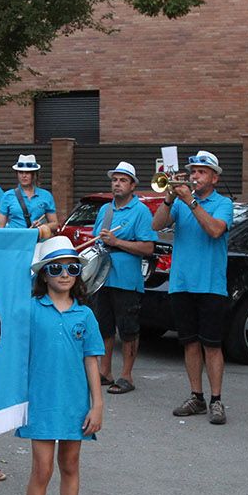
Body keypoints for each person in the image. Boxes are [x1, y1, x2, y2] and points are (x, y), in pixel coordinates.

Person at [15, 236, 104, 495]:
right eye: (56, 268)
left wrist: (97, 404)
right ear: (44, 275)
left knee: (70, 465)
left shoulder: (85, 315)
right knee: (42, 469)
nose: (65, 274)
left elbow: (92, 360)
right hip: (40, 402)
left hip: (74, 405)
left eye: (71, 268)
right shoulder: (30, 311)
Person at [151, 150, 234, 424]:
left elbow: (214, 230)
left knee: (212, 345)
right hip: (182, 283)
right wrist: (169, 198)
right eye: (193, 171)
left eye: (201, 172)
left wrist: (191, 202)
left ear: (214, 177)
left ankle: (216, 400)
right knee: (189, 343)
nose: (195, 176)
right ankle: (196, 396)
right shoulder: (179, 203)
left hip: (211, 285)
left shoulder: (223, 203)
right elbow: (156, 224)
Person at [88, 161, 157, 395]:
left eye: (123, 180)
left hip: (127, 278)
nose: (117, 184)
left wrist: (117, 242)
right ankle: (105, 372)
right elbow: (98, 240)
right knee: (104, 327)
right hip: (103, 277)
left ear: (133, 185)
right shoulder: (105, 210)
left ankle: (126, 375)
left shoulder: (141, 211)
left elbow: (148, 248)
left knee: (128, 329)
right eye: (115, 180)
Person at [0, 154, 57, 230]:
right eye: (21, 172)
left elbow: (54, 224)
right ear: (17, 174)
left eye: (27, 172)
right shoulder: (8, 195)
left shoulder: (46, 196)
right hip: (15, 239)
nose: (24, 176)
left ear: (34, 174)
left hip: (37, 239)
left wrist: (43, 226)